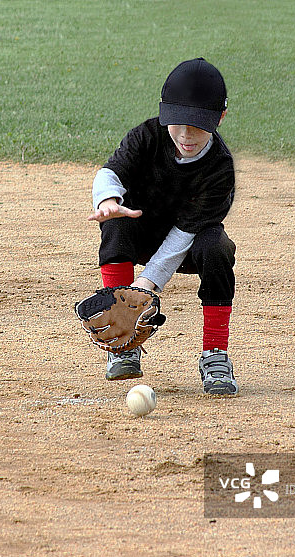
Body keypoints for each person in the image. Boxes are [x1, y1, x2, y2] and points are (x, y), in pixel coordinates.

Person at [88, 57, 238, 395]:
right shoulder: (147, 136)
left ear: (220, 119)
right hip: (142, 231)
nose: (186, 134)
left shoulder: (219, 169)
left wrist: (146, 283)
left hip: (188, 246)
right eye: (178, 122)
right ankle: (124, 343)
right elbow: (109, 173)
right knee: (118, 220)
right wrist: (107, 200)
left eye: (198, 125)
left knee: (216, 248)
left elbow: (183, 235)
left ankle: (215, 354)